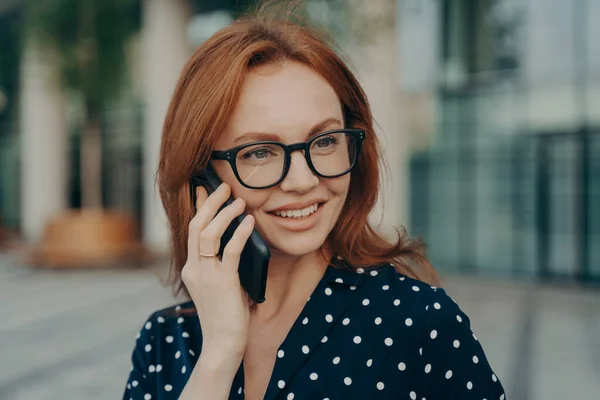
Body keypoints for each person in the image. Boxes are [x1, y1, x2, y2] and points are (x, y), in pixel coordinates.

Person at [123, 4, 506, 400]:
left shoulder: (418, 323)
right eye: (259, 152)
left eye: (324, 142)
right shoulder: (165, 343)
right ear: (203, 177)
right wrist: (218, 356)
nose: (304, 181)